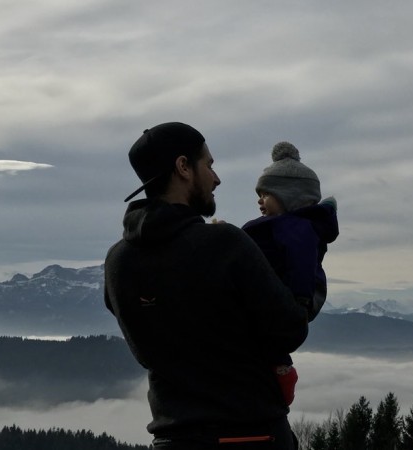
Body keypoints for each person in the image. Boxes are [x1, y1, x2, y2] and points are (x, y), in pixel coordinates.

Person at [104, 122, 309, 450]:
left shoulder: (117, 262)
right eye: (209, 165)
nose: (216, 178)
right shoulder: (226, 244)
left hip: (171, 438)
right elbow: (291, 329)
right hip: (250, 435)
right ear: (183, 167)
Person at [241, 141, 339, 407]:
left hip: (286, 299)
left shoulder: (296, 229)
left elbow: (301, 264)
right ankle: (280, 374)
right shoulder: (282, 226)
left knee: (269, 344)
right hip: (274, 297)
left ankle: (283, 374)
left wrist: (299, 300)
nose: (259, 200)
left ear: (288, 196)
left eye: (266, 194)